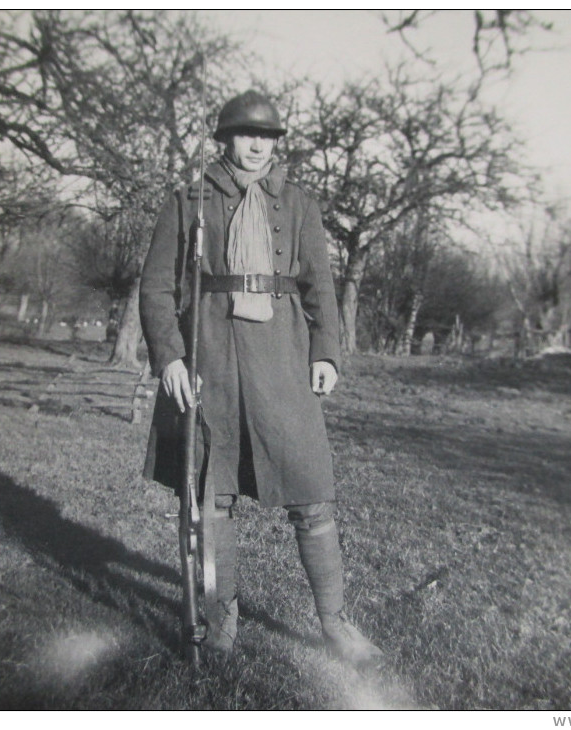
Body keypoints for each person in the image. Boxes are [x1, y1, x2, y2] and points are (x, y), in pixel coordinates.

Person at [139, 90, 383, 668]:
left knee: (313, 493)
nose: (256, 145)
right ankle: (221, 621)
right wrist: (170, 356)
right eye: (245, 134)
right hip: (212, 358)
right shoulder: (188, 201)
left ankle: (335, 625)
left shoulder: (298, 202)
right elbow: (156, 287)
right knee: (212, 498)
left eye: (266, 137)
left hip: (283, 358)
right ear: (224, 138)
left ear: (276, 144)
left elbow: (320, 286)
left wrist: (326, 352)